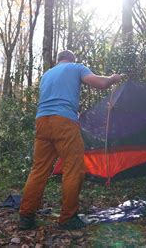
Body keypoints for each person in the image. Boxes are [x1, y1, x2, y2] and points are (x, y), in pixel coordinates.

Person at [19, 50, 122, 230]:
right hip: (64, 122)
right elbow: (100, 83)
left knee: (39, 170)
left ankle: (26, 217)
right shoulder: (76, 68)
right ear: (72, 59)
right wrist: (113, 78)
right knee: (73, 168)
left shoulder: (46, 75)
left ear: (58, 60)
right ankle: (68, 218)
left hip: (42, 121)